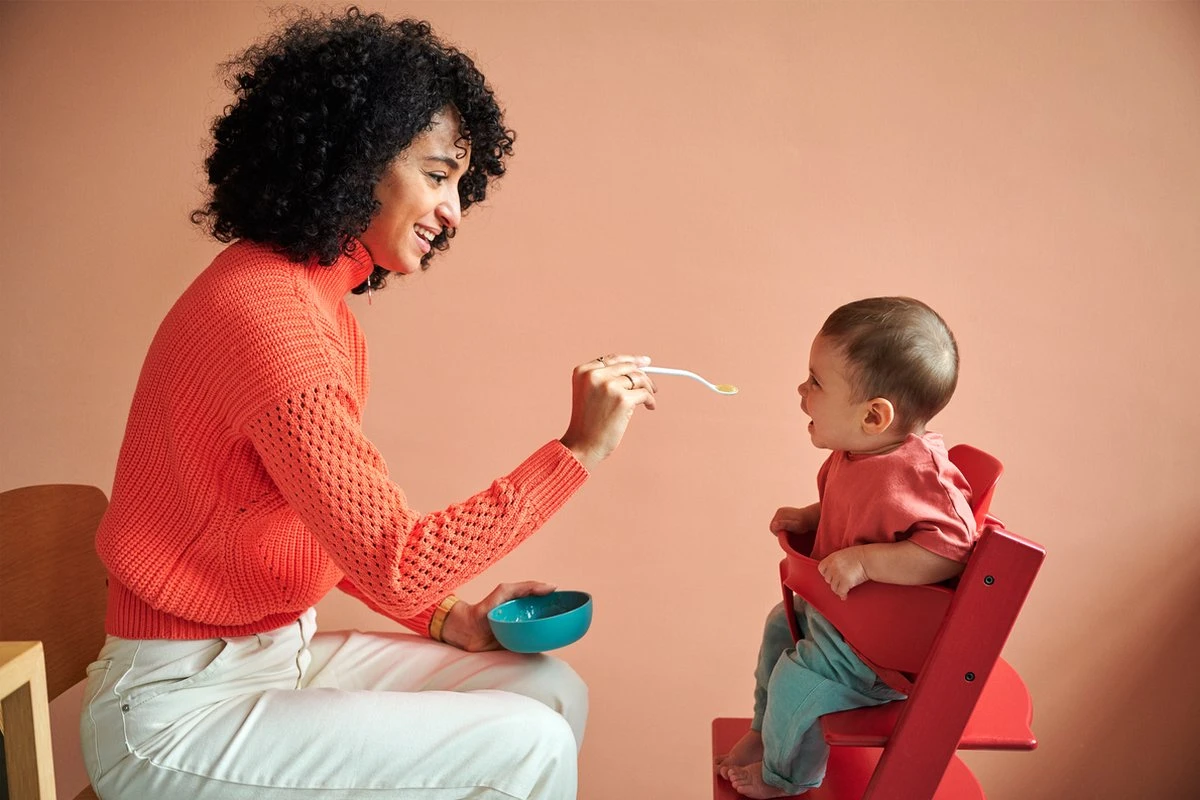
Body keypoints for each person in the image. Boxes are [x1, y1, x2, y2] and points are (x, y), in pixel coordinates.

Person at [80, 9, 657, 800]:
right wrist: (577, 451)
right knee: (528, 742)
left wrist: (448, 618)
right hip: (176, 709)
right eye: (438, 175)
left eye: (461, 184)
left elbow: (333, 534)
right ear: (356, 161)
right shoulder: (271, 319)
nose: (454, 212)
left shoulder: (317, 306)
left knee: (549, 692)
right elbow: (397, 558)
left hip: (277, 657)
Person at [715, 296, 979, 798]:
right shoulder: (859, 454)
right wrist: (812, 516)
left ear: (874, 415)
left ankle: (786, 778)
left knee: (795, 680)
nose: (801, 390)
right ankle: (763, 731)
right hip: (842, 620)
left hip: (876, 652)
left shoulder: (916, 475)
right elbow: (864, 514)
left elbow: (953, 549)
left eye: (816, 381)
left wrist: (865, 562)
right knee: (777, 625)